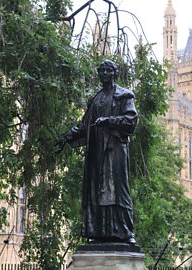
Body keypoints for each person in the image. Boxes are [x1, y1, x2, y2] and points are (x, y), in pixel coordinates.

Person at [58, 59, 138, 244]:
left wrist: (107, 120)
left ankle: (125, 232)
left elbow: (130, 121)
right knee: (97, 191)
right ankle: (100, 232)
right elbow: (85, 125)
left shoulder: (124, 95)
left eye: (107, 71)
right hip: (96, 152)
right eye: (101, 71)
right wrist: (66, 138)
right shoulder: (96, 99)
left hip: (114, 150)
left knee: (117, 191)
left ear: (114, 74)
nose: (104, 74)